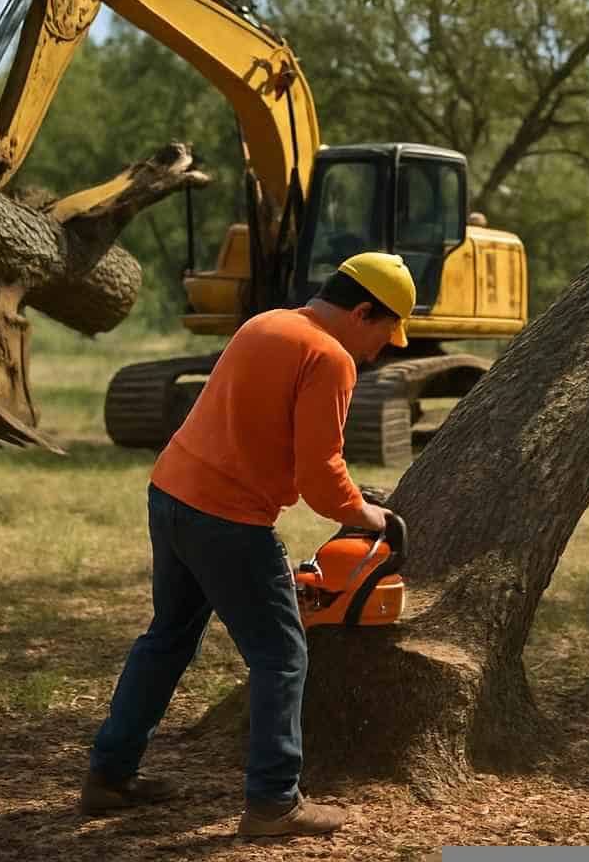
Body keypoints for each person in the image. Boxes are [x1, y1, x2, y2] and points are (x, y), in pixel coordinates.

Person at [78, 252, 415, 838]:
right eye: (385, 333)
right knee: (281, 656)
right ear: (363, 312)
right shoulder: (330, 357)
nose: (380, 351)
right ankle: (273, 803)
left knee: (167, 638)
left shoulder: (265, 323)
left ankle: (109, 774)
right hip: (227, 519)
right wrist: (370, 515)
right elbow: (320, 478)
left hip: (171, 493)